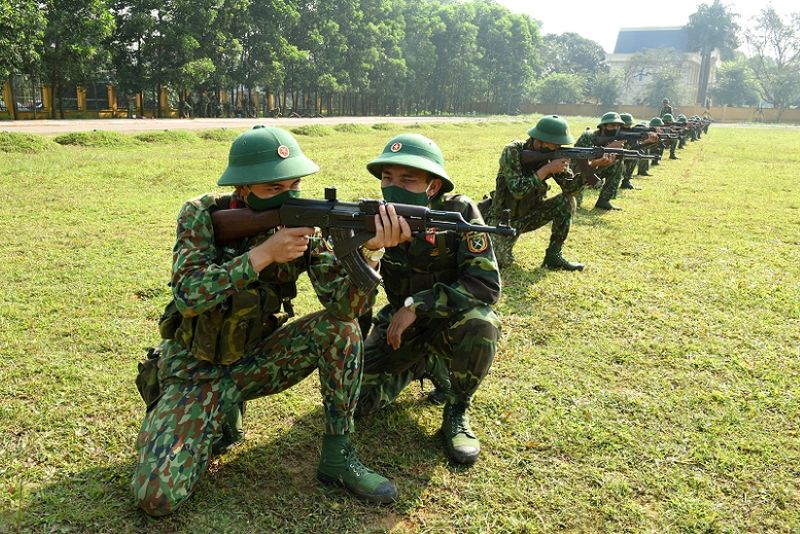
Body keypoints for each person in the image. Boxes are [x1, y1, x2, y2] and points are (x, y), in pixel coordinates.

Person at [131, 125, 399, 516]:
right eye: (274, 189)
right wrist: (262, 256)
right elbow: (188, 295)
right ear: (243, 189)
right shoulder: (201, 214)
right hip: (195, 371)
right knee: (155, 497)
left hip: (255, 362)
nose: (289, 196)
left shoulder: (308, 225)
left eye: (294, 184)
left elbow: (343, 310)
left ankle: (338, 457)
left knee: (339, 331)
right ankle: (216, 416)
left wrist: (370, 253)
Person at [356, 133, 501, 466]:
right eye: (387, 178)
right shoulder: (371, 219)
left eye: (408, 180)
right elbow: (352, 299)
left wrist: (416, 306)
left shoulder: (458, 213)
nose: (394, 187)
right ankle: (422, 362)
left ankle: (457, 407)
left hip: (447, 325)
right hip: (397, 328)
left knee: (482, 323)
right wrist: (372, 251)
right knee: (354, 402)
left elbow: (485, 285)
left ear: (433, 187)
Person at [479, 115, 606, 270]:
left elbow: (570, 188)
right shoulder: (512, 151)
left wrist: (591, 167)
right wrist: (546, 170)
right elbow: (517, 190)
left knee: (567, 201)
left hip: (531, 215)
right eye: (556, 144)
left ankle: (554, 256)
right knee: (499, 263)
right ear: (539, 141)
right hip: (505, 219)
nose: (559, 148)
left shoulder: (553, 155)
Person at [574, 112, 626, 211]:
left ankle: (604, 201)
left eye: (618, 126)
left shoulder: (618, 139)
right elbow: (580, 159)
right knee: (575, 204)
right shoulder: (588, 136)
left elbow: (630, 154)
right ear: (603, 126)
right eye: (612, 125)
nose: (615, 128)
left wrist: (646, 142)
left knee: (618, 164)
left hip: (598, 167)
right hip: (579, 170)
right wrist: (606, 149)